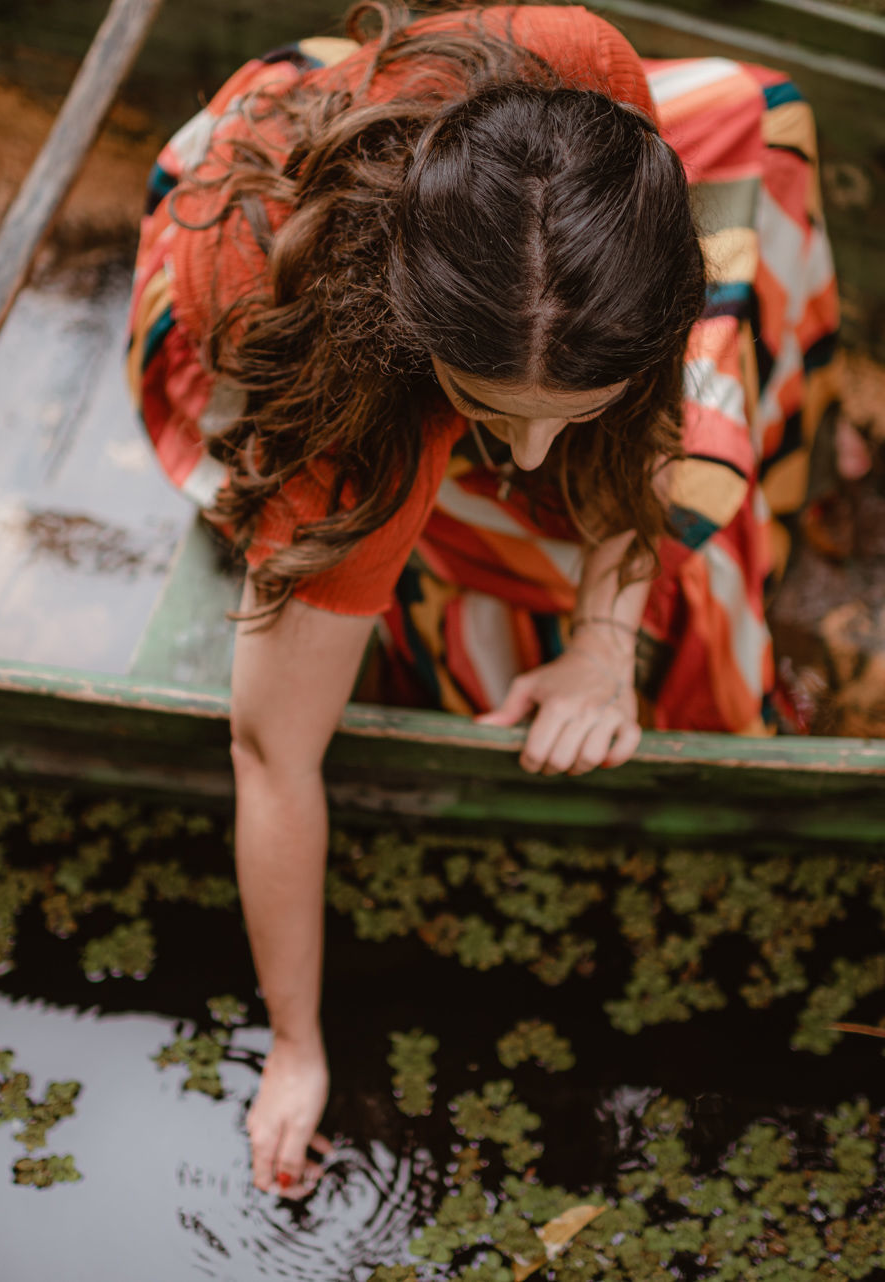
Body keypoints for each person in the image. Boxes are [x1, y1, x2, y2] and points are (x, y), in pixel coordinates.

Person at [124, 1, 839, 1196]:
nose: (536, 460)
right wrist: (296, 1047)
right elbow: (270, 752)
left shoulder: (583, 66)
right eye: (497, 413)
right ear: (422, 333)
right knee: (583, 547)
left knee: (762, 145)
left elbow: (619, 380)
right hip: (263, 281)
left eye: (577, 408)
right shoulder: (344, 424)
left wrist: (607, 647)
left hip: (454, 231)